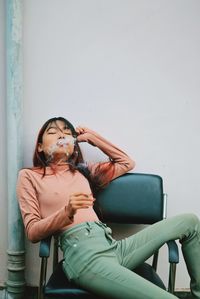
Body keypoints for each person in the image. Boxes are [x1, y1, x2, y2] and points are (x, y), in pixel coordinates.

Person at [17, 116, 200, 299]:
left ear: (74, 145)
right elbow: (32, 232)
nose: (61, 135)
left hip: (114, 247)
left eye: (66, 132)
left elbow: (126, 162)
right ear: (40, 146)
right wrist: (66, 212)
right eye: (52, 131)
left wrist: (93, 138)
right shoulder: (29, 176)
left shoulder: (84, 172)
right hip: (85, 257)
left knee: (190, 222)